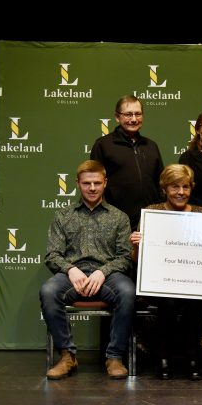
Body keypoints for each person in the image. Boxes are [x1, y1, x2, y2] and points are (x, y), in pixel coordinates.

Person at [39, 160, 135, 380]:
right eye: (87, 183)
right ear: (78, 184)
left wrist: (103, 272)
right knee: (48, 291)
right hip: (73, 276)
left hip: (108, 277)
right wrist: (71, 269)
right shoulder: (63, 216)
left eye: (97, 183)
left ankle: (114, 357)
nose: (92, 188)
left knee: (128, 291)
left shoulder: (119, 217)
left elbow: (125, 257)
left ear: (105, 183)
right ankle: (67, 356)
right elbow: (52, 255)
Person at [130, 164, 202, 380]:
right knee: (169, 301)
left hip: (194, 282)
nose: (181, 192)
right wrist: (137, 245)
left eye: (186, 187)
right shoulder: (152, 212)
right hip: (160, 283)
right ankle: (163, 355)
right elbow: (138, 261)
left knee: (195, 301)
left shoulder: (201, 213)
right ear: (164, 188)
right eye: (175, 187)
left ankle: (193, 354)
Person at [90, 95, 164, 230]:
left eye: (138, 114)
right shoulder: (103, 145)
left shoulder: (151, 146)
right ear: (117, 117)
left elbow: (161, 184)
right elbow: (94, 185)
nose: (134, 119)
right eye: (128, 114)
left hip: (150, 222)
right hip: (115, 222)